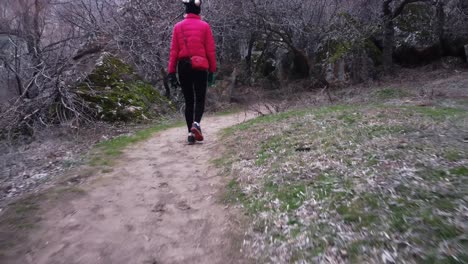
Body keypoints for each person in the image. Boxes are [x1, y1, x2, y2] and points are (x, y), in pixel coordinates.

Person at [167, 0, 216, 145]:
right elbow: (210, 51)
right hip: (200, 67)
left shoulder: (178, 27)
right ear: (198, 10)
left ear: (187, 11)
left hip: (183, 67)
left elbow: (174, 51)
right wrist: (212, 70)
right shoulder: (205, 26)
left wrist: (171, 72)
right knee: (200, 99)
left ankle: (190, 133)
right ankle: (196, 124)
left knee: (189, 101)